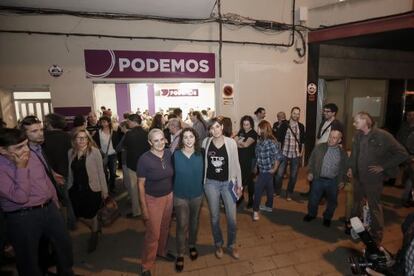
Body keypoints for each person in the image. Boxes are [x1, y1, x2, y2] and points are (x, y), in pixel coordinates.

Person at [0, 126, 74, 276]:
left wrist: (55, 203)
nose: (26, 150)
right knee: (28, 259)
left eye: (26, 144)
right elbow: (20, 197)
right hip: (22, 216)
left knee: (64, 246)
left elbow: (45, 179)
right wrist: (21, 168)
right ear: (3, 150)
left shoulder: (32, 155)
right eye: (19, 147)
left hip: (49, 208)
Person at [348, 111, 409, 243]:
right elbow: (354, 155)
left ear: (365, 121)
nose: (354, 124)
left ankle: (377, 235)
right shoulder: (357, 136)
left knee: (374, 206)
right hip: (358, 177)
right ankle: (354, 227)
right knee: (356, 204)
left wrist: (383, 166)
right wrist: (350, 168)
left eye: (356, 121)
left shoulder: (383, 136)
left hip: (373, 180)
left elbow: (402, 154)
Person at [202, 117, 242, 260]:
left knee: (232, 218)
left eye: (217, 127)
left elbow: (237, 165)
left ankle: (232, 244)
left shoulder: (231, 143)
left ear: (222, 127)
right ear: (209, 130)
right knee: (214, 217)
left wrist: (239, 185)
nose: (215, 130)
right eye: (212, 128)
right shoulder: (205, 142)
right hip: (211, 183)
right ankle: (218, 243)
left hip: (228, 183)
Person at [138, 129, 175, 276]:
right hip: (152, 200)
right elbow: (140, 184)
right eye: (155, 140)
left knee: (165, 228)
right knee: (153, 233)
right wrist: (144, 208)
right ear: (149, 143)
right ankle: (146, 265)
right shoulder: (144, 159)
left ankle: (161, 251)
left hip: (169, 197)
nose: (160, 143)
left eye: (162, 139)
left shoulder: (167, 153)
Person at [67, 129, 108, 252]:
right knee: (79, 214)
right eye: (79, 138)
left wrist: (104, 190)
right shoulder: (70, 152)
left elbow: (101, 172)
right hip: (75, 190)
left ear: (88, 139)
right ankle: (96, 227)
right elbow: (70, 172)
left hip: (92, 189)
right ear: (74, 140)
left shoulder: (94, 152)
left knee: (93, 214)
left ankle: (94, 235)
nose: (82, 140)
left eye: (84, 138)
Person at [173, 128, 204, 272]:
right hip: (180, 196)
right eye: (185, 137)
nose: (188, 139)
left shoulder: (201, 154)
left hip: (197, 195)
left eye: (191, 136)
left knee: (194, 222)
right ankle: (180, 253)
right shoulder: (176, 155)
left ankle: (191, 244)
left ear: (195, 138)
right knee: (181, 225)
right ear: (182, 140)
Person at [303, 130, 348, 227]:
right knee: (313, 199)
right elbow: (311, 161)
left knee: (332, 202)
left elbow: (344, 168)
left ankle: (327, 217)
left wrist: (342, 181)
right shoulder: (319, 147)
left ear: (340, 140)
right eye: (330, 136)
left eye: (334, 138)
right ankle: (311, 214)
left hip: (333, 181)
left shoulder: (342, 153)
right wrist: (310, 172)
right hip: (318, 179)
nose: (331, 139)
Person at [43, 113, 76, 229]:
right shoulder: (68, 137)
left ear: (50, 123)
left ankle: (59, 226)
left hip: (49, 175)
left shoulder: (43, 139)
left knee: (54, 202)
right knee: (69, 200)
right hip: (67, 173)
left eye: (45, 121)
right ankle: (72, 223)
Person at [252, 120, 283, 221]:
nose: (257, 129)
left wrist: (274, 168)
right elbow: (259, 155)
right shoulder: (260, 140)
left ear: (263, 129)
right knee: (270, 188)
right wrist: (256, 166)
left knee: (257, 190)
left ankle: (255, 211)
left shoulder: (271, 142)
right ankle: (269, 206)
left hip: (267, 171)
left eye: (259, 128)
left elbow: (278, 156)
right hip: (262, 169)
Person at [274, 107, 306, 200]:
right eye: (294, 113)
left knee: (293, 176)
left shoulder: (301, 126)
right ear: (291, 113)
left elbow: (303, 141)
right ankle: (278, 191)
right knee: (279, 175)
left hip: (295, 154)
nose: (296, 115)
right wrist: (278, 152)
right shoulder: (284, 125)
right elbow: (279, 140)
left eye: (298, 113)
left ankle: (289, 193)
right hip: (284, 153)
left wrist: (301, 152)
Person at [122, 114, 150, 218]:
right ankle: (147, 209)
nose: (127, 123)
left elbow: (124, 146)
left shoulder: (129, 134)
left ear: (134, 121)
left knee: (134, 190)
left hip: (133, 165)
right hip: (145, 165)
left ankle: (137, 211)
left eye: (128, 121)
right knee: (146, 188)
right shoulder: (146, 133)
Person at [234, 115, 258, 208]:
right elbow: (235, 140)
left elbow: (246, 145)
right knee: (240, 179)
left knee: (250, 180)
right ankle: (241, 197)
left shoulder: (253, 133)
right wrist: (239, 142)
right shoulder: (241, 131)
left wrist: (238, 142)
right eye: (244, 124)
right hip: (240, 158)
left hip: (250, 159)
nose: (245, 126)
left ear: (251, 124)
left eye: (247, 124)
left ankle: (251, 199)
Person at [93, 116, 120, 193]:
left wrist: (116, 150)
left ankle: (112, 187)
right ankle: (105, 187)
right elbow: (94, 143)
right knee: (103, 172)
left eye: (104, 121)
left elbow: (117, 142)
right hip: (102, 155)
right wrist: (99, 150)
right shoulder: (98, 132)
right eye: (101, 122)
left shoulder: (113, 132)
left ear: (108, 122)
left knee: (113, 172)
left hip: (113, 155)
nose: (103, 123)